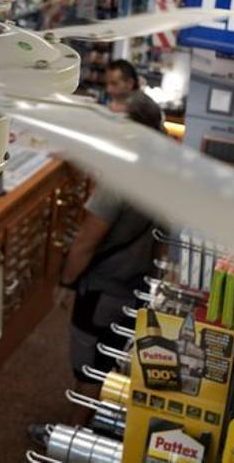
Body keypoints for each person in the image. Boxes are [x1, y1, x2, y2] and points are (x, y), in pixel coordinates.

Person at [58, 93, 166, 403]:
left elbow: (85, 242)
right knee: (108, 360)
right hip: (134, 289)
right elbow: (161, 244)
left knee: (89, 368)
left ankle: (75, 440)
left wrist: (66, 284)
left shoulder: (119, 180)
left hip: (102, 291)